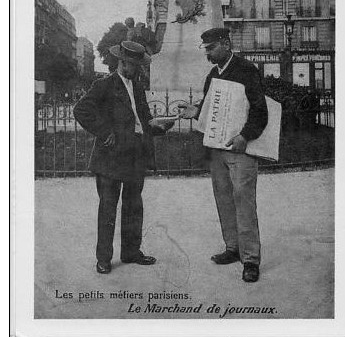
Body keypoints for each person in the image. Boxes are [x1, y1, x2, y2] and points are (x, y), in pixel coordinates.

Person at [73, 41, 174, 274]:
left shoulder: (138, 86)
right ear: (121, 62)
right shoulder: (104, 85)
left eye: (139, 65)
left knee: (133, 206)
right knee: (108, 208)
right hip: (110, 157)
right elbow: (81, 110)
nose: (137, 69)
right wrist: (104, 131)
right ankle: (104, 259)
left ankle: (131, 253)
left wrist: (158, 125)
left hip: (135, 154)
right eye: (132, 65)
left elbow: (144, 118)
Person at [179, 28, 268, 283]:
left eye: (211, 48)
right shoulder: (212, 75)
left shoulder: (246, 70)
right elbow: (210, 110)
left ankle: (250, 260)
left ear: (226, 44)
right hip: (217, 150)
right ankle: (233, 248)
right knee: (224, 198)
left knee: (244, 201)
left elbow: (260, 111)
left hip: (240, 149)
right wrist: (195, 110)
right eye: (205, 48)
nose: (207, 53)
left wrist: (245, 136)